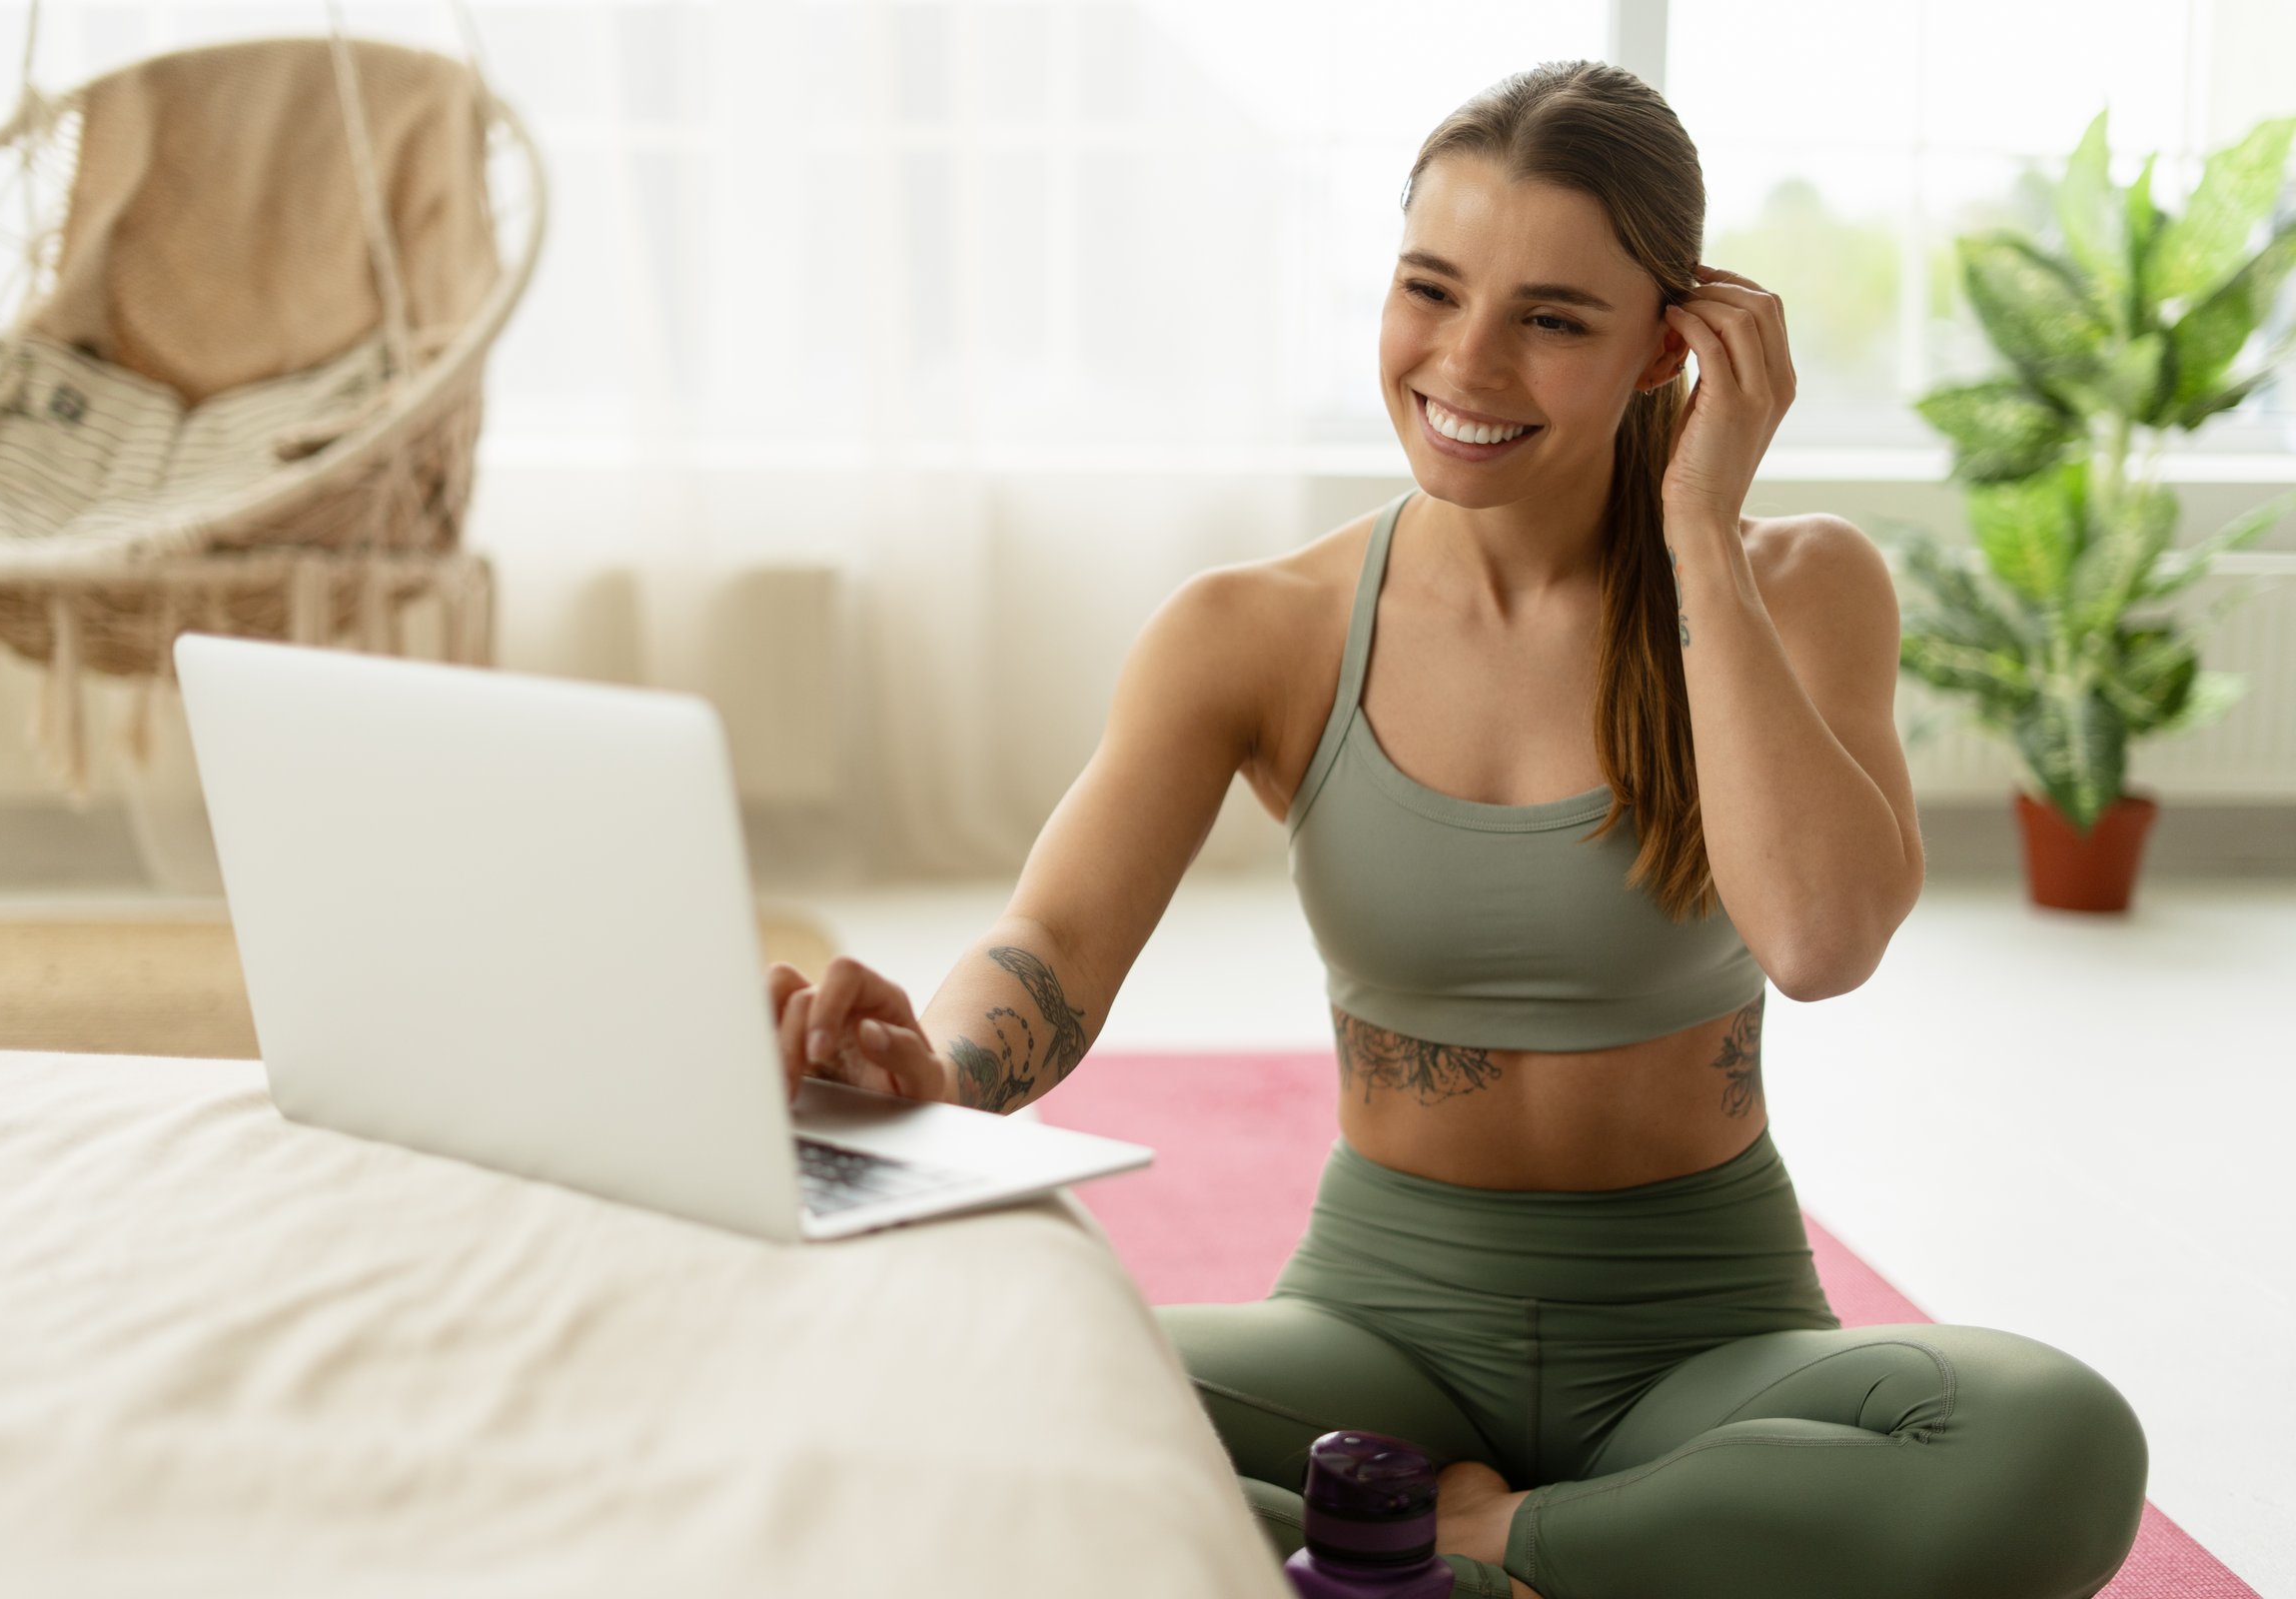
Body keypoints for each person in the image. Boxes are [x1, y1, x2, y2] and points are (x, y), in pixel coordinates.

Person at [767, 58, 2147, 1599]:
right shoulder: (1258, 627)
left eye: (1553, 319)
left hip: (1713, 1342)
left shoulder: (1799, 585)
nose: (1466, 363)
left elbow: (1822, 944)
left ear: (1665, 349)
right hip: (1371, 1339)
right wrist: (929, 1079)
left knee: (2059, 1443)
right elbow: (1054, 946)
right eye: (1431, 289)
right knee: (938, 1389)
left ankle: (1455, 1557)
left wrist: (1697, 530)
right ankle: (1616, 1568)